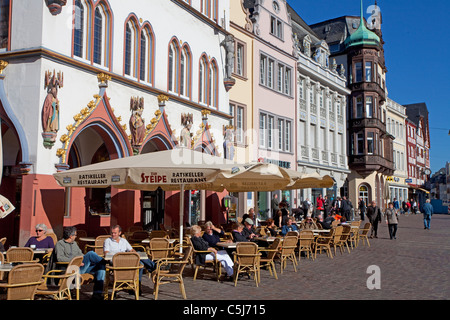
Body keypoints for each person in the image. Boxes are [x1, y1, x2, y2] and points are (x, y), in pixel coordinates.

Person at [54, 226, 106, 300]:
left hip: (80, 267)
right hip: (70, 269)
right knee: (91, 253)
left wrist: (81, 261)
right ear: (70, 236)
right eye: (75, 235)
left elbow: (81, 254)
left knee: (101, 268)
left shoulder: (74, 244)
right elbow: (60, 258)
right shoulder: (60, 244)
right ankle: (106, 262)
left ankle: (97, 294)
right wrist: (75, 261)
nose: (76, 237)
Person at [103, 225, 156, 292]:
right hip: (115, 262)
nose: (113, 234)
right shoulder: (107, 241)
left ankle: (135, 286)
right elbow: (106, 253)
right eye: (112, 233)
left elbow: (131, 250)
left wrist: (133, 253)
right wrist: (120, 255)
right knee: (140, 263)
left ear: (119, 233)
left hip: (126, 260)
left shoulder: (123, 241)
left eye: (115, 233)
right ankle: (154, 268)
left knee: (140, 263)